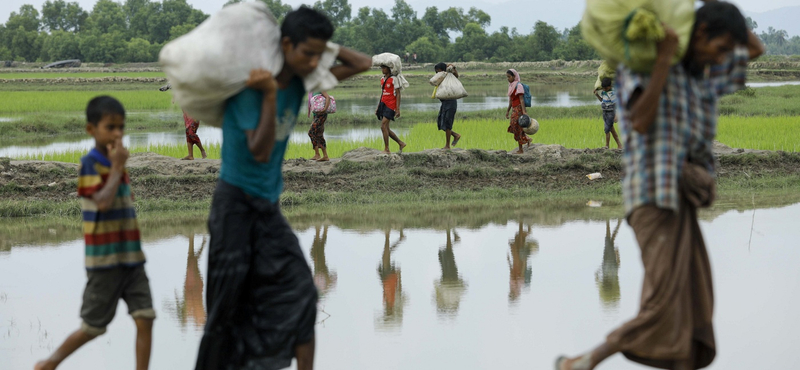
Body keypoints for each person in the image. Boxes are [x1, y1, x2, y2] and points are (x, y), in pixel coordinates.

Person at [556, 2, 764, 370]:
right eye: (718, 48)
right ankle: (585, 361)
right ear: (700, 37)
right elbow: (639, 121)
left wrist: (700, 15)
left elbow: (755, 49)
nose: (722, 59)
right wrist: (667, 55)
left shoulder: (703, 77)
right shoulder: (643, 69)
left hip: (683, 199)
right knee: (665, 300)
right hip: (653, 195)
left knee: (695, 301)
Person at [195, 6, 371, 370]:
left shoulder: (301, 81)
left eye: (317, 56)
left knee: (303, 294)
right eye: (306, 54)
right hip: (234, 209)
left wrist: (322, 48)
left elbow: (363, 63)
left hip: (268, 209)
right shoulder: (251, 89)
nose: (313, 63)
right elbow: (259, 152)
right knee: (226, 309)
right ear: (286, 45)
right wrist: (270, 95)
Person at [35, 96, 155, 370]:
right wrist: (116, 168)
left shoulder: (116, 163)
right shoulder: (91, 163)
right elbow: (102, 201)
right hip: (105, 262)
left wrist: (118, 168)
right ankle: (48, 365)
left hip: (132, 259)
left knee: (145, 317)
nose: (117, 133)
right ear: (91, 129)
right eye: (110, 127)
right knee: (93, 327)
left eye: (121, 127)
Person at [376, 64, 407, 154]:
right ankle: (401, 143)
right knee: (386, 128)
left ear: (389, 69)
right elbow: (383, 93)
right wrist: (378, 107)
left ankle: (387, 149)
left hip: (391, 105)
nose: (382, 69)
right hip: (383, 104)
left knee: (383, 126)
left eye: (384, 68)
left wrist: (397, 109)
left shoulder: (394, 79)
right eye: (381, 68)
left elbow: (398, 94)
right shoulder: (382, 79)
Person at [434, 62, 462, 150]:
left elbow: (456, 76)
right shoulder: (441, 78)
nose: (437, 73)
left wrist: (453, 68)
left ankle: (447, 145)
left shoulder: (449, 76)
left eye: (438, 71)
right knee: (441, 124)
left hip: (451, 103)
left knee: (447, 124)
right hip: (444, 103)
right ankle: (456, 135)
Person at [505, 69, 531, 154]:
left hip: (519, 109)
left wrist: (524, 111)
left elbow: (521, 99)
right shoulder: (511, 86)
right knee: (514, 127)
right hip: (514, 109)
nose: (508, 79)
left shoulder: (518, 85)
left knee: (517, 127)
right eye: (507, 77)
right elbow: (511, 100)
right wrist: (508, 111)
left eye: (509, 77)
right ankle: (527, 140)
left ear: (514, 76)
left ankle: (521, 149)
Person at [593, 78, 622, 149]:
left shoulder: (612, 93)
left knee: (606, 129)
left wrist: (616, 115)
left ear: (610, 86)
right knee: (611, 129)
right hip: (605, 113)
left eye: (606, 88)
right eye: (603, 88)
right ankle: (619, 145)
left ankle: (607, 146)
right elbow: (601, 100)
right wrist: (597, 95)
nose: (605, 89)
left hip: (610, 113)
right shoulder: (603, 92)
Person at [308, 91, 331, 161]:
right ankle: (322, 155)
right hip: (316, 115)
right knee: (318, 134)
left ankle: (319, 155)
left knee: (311, 133)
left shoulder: (320, 87)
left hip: (322, 115)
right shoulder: (311, 91)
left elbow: (328, 97)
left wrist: (325, 109)